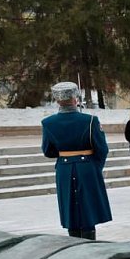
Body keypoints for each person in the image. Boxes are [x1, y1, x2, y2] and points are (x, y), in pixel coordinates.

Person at [41, 81, 112, 240]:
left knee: (70, 209)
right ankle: (89, 242)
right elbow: (101, 149)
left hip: (64, 168)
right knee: (88, 210)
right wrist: (94, 167)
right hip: (87, 167)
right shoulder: (90, 120)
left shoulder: (48, 123)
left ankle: (73, 244)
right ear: (75, 99)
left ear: (58, 101)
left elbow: (48, 151)